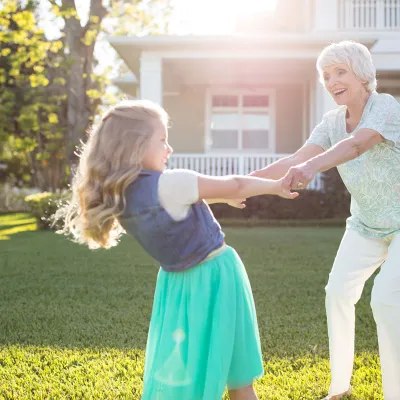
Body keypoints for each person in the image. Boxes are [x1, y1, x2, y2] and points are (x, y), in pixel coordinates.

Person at [57, 99, 298, 400]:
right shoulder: (172, 182)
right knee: (238, 377)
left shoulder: (120, 199)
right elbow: (235, 184)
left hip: (175, 287)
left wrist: (220, 199)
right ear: (135, 145)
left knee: (181, 374)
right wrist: (275, 186)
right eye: (162, 141)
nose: (169, 149)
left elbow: (169, 211)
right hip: (217, 276)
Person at [251, 40, 400, 400]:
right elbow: (298, 158)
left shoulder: (385, 106)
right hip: (366, 225)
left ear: (362, 74)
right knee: (337, 293)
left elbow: (356, 145)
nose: (331, 81)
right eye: (326, 75)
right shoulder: (332, 121)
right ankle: (339, 388)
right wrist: (250, 184)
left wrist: (309, 167)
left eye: (340, 72)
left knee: (385, 300)